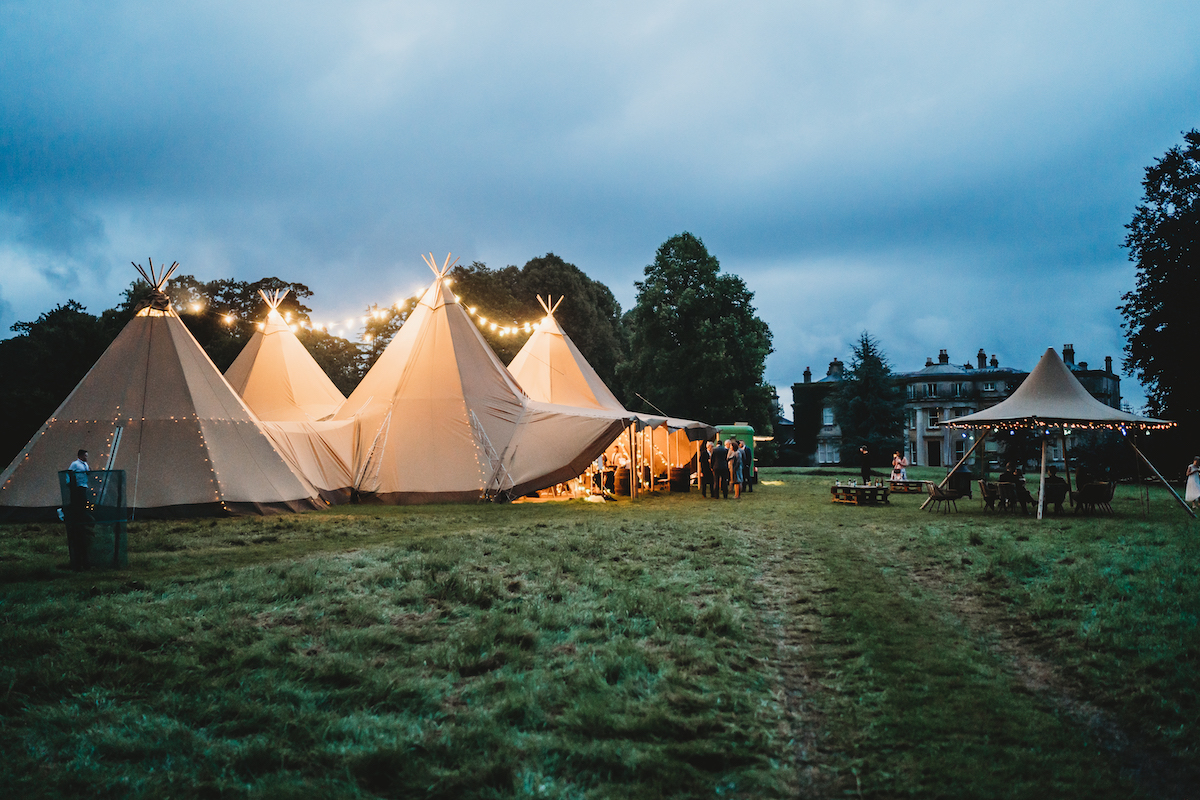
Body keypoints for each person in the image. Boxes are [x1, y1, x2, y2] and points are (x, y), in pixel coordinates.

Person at [64, 449, 93, 570]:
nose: (87, 457)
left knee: (83, 502)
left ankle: (83, 513)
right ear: (80, 456)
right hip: (77, 487)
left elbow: (88, 473)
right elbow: (69, 474)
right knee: (79, 503)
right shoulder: (75, 464)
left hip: (84, 486)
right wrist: (70, 484)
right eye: (85, 455)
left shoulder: (85, 465)